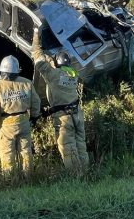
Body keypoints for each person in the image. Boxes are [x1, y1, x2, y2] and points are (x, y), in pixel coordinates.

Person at [31, 28, 89, 174]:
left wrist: (36, 36)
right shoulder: (73, 74)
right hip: (77, 114)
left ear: (57, 64)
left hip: (64, 117)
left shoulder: (53, 75)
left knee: (67, 146)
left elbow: (37, 57)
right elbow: (58, 68)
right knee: (80, 144)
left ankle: (75, 176)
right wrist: (51, 59)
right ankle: (86, 173)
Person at [0, 55, 41, 177]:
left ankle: (9, 180)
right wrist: (34, 118)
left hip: (6, 125)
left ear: (2, 71)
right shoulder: (26, 83)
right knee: (26, 151)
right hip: (24, 121)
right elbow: (36, 102)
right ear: (17, 70)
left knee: (7, 153)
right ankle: (28, 178)